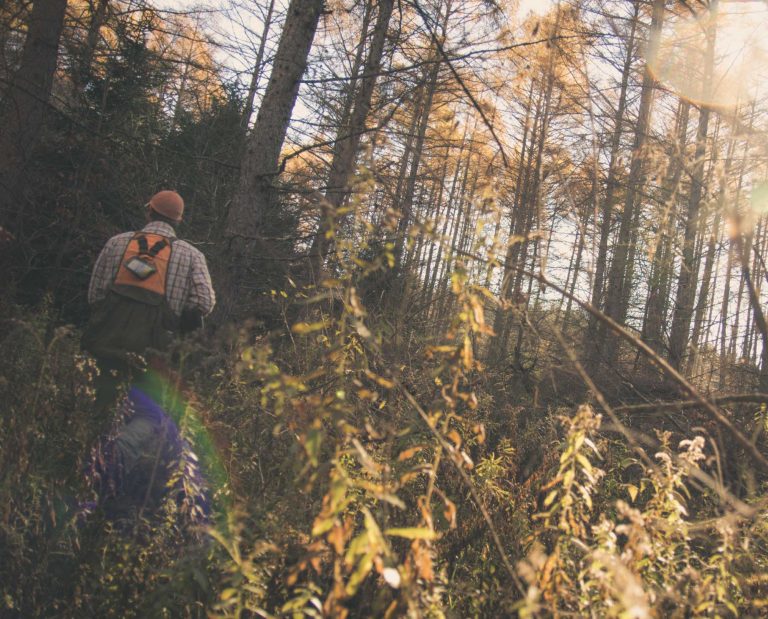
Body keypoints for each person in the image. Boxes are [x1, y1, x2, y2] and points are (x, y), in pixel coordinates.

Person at [82, 191, 215, 519]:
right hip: (153, 356)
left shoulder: (117, 243)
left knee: (99, 409)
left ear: (149, 211)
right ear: (178, 221)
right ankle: (105, 473)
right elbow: (204, 302)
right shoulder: (190, 255)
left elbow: (95, 294)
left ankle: (80, 475)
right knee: (149, 417)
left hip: (105, 346)